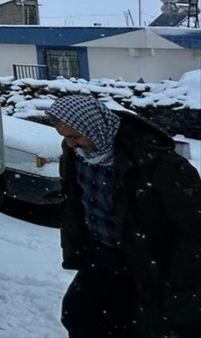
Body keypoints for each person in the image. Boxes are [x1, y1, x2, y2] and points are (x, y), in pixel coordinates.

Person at [45, 95, 201, 338]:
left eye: (75, 136)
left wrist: (179, 285)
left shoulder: (157, 162)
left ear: (93, 127)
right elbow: (76, 202)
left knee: (144, 327)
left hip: (149, 260)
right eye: (64, 137)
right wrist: (77, 248)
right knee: (79, 316)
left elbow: (193, 228)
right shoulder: (77, 153)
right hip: (101, 254)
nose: (71, 144)